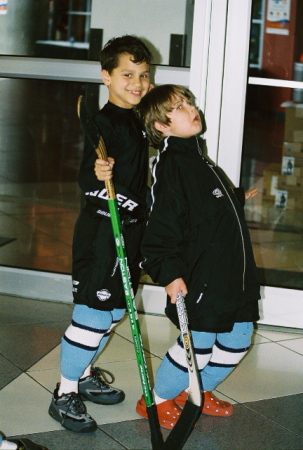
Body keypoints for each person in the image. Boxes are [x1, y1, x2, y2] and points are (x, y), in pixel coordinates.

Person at [133, 84, 260, 430]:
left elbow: (203, 209)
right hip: (200, 280)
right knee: (199, 347)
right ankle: (157, 400)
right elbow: (160, 231)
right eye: (179, 107)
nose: (191, 108)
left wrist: (234, 199)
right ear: (161, 125)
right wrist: (169, 273)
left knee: (237, 341)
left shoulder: (200, 160)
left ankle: (195, 391)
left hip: (232, 277)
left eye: (189, 102)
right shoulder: (172, 165)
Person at [48, 35, 152, 433]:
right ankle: (65, 390)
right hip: (102, 234)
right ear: (106, 77)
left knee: (113, 312)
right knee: (92, 313)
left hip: (129, 233)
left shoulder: (139, 121)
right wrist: (99, 175)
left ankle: (85, 371)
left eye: (143, 75)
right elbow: (84, 177)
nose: (137, 82)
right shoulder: (106, 121)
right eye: (127, 74)